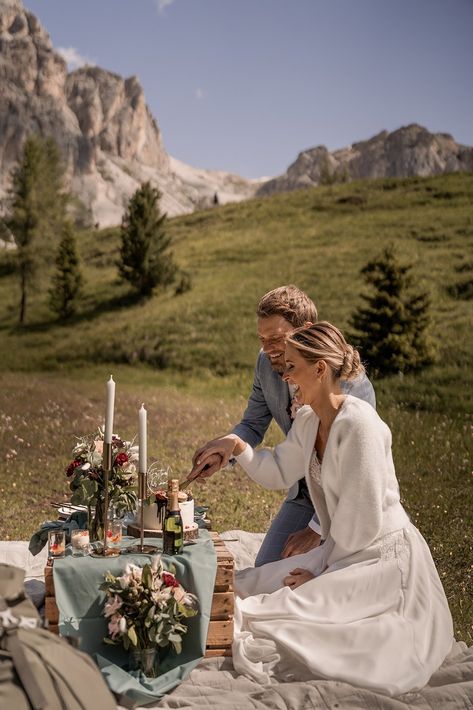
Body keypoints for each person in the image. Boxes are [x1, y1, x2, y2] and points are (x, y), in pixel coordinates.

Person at [196, 322, 454, 695]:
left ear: (320, 369)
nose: (285, 376)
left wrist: (321, 575)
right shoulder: (309, 419)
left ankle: (211, 627)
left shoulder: (359, 424)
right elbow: (280, 470)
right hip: (342, 548)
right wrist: (238, 446)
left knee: (288, 611)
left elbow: (362, 524)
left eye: (292, 367)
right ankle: (203, 612)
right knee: (252, 584)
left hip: (380, 559)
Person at [190, 285, 376, 566]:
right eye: (262, 339)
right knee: (266, 568)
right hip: (303, 492)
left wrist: (316, 530)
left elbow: (360, 479)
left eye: (276, 338)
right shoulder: (266, 363)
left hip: (349, 504)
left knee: (316, 579)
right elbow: (253, 425)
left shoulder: (350, 390)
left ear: (307, 331)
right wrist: (228, 448)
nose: (267, 350)